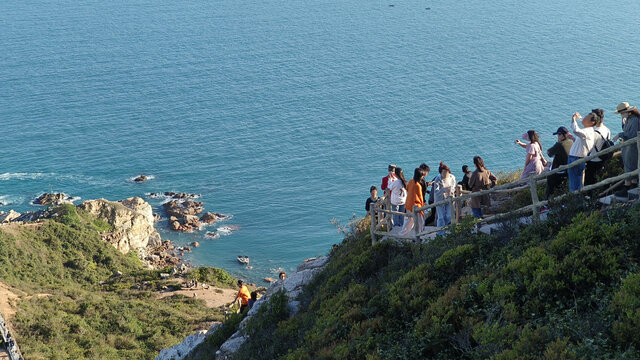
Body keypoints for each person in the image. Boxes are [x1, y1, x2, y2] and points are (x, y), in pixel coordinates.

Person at [612, 102, 640, 198]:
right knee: (630, 166)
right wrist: (622, 121)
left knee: (629, 166)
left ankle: (627, 188)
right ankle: (632, 186)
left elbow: (632, 134)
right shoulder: (629, 118)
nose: (621, 115)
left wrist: (620, 135)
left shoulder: (635, 120)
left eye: (621, 113)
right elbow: (626, 129)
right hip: (629, 147)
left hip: (632, 147)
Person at [567, 111, 598, 191]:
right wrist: (573, 139)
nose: (584, 118)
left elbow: (576, 130)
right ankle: (575, 201)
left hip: (577, 159)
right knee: (574, 183)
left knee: (575, 185)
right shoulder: (587, 131)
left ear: (592, 122)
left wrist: (574, 118)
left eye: (587, 117)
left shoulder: (588, 131)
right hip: (575, 158)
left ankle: (576, 201)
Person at [546, 126, 574, 199]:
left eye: (558, 135)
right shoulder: (571, 142)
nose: (557, 137)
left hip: (558, 171)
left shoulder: (559, 145)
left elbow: (549, 153)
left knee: (550, 186)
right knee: (562, 188)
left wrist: (557, 143)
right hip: (567, 171)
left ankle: (546, 204)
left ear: (561, 135)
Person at [584, 109, 610, 186]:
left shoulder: (594, 132)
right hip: (603, 158)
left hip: (593, 160)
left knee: (590, 180)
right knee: (598, 178)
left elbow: (588, 147)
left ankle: (589, 196)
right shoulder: (607, 129)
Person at [400, 168, 425, 235]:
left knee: (408, 221)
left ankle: (402, 233)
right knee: (420, 222)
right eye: (422, 176)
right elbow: (420, 197)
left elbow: (407, 189)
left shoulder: (411, 181)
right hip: (416, 206)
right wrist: (422, 206)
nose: (423, 177)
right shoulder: (418, 186)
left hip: (408, 204)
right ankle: (419, 234)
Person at [433, 162, 456, 235]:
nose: (446, 174)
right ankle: (440, 233)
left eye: (447, 172)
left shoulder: (452, 177)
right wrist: (443, 190)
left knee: (449, 215)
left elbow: (453, 187)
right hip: (439, 199)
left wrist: (451, 190)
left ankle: (444, 228)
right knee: (441, 217)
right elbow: (436, 192)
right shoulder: (437, 179)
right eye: (444, 172)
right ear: (441, 172)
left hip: (449, 198)